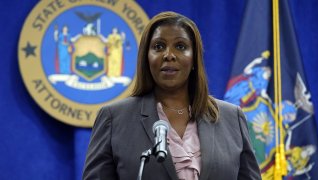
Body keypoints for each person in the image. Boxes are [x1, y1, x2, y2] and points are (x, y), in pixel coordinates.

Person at [82, 11, 261, 180]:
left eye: (180, 46)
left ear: (194, 59)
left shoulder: (231, 118)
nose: (169, 55)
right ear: (147, 58)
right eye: (159, 47)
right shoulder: (114, 118)